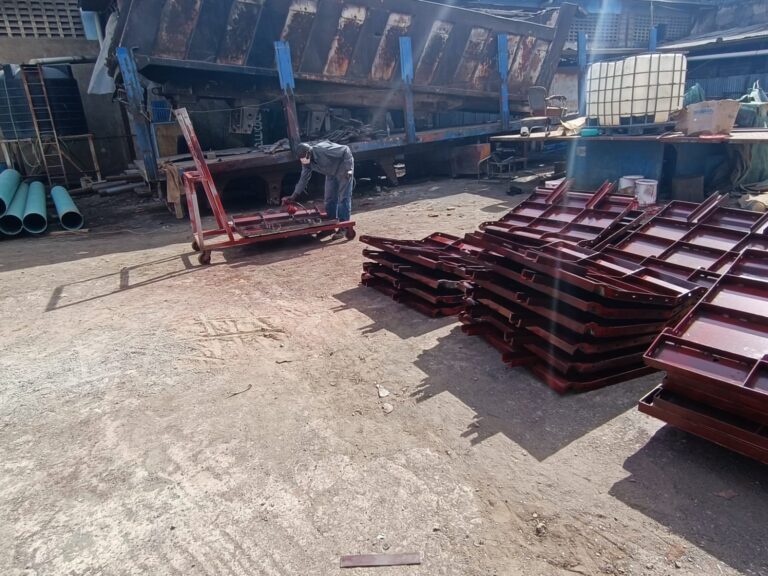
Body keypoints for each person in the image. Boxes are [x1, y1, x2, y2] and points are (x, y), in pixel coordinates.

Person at [283, 141, 354, 240]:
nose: (303, 159)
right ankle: (330, 226)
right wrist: (294, 196)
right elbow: (303, 179)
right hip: (330, 173)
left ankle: (344, 227)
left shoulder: (323, 150)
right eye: (301, 158)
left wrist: (349, 169)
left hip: (343, 169)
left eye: (303, 157)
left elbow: (346, 149)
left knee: (343, 198)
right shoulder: (306, 162)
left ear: (309, 152)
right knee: (329, 199)